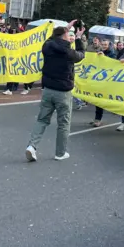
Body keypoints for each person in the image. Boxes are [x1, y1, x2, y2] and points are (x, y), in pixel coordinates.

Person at [25, 22, 85, 162]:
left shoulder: (47, 46)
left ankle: (32, 146)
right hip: (63, 92)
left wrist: (66, 28)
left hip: (47, 89)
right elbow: (81, 55)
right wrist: (78, 38)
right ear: (64, 37)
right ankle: (60, 152)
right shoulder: (68, 52)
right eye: (67, 34)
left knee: (42, 119)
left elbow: (50, 38)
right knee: (63, 123)